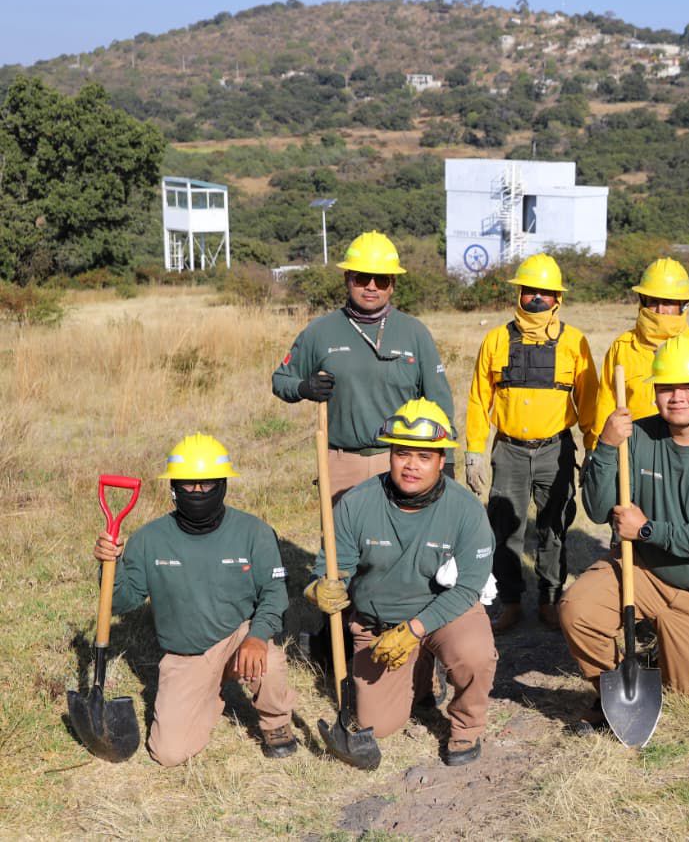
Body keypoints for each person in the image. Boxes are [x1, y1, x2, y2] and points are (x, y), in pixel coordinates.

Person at [562, 334, 689, 730]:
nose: (677, 397)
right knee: (577, 611)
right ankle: (614, 687)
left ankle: (658, 662)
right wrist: (605, 446)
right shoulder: (636, 436)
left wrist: (649, 530)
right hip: (642, 571)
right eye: (667, 387)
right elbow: (597, 510)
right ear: (654, 393)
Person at [306, 398, 498, 767]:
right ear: (390, 456)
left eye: (424, 456)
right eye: (402, 454)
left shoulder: (467, 510)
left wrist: (415, 629)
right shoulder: (356, 503)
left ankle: (466, 726)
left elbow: (468, 587)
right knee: (377, 725)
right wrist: (318, 589)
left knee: (474, 652)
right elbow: (330, 570)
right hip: (380, 624)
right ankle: (422, 673)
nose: (411, 465)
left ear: (441, 460)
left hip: (445, 614)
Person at [92, 434, 297, 766]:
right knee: (168, 753)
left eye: (207, 484)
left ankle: (276, 722)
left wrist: (258, 637)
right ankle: (209, 691)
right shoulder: (149, 540)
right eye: (188, 484)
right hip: (186, 654)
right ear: (173, 487)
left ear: (223, 485)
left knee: (268, 661)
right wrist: (109, 566)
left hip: (239, 637)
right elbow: (120, 603)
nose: (198, 492)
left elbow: (274, 593)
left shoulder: (254, 532)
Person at [464, 254, 598, 633]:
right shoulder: (495, 340)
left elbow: (590, 400)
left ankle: (550, 600)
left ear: (558, 298)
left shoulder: (574, 342)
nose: (536, 298)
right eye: (529, 291)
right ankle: (510, 602)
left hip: (556, 450)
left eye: (545, 292)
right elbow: (478, 400)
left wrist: (593, 449)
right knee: (505, 527)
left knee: (554, 527)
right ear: (518, 294)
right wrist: (473, 451)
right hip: (509, 450)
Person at [272, 231, 455, 503]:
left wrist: (447, 461)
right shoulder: (320, 331)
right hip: (341, 461)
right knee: (341, 532)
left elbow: (440, 402)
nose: (371, 287)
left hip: (401, 461)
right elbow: (280, 380)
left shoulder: (415, 333)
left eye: (381, 280)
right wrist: (303, 387)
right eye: (362, 278)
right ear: (347, 278)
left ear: (392, 285)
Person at [591, 258, 689, 443]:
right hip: (634, 450)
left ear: (683, 305)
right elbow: (605, 405)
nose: (660, 310)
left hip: (688, 451)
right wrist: (597, 446)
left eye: (668, 302)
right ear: (642, 302)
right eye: (653, 301)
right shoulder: (622, 347)